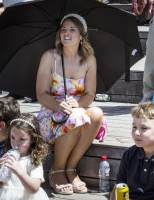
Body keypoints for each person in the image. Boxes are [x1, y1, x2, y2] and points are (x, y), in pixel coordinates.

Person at [36, 13, 106, 195]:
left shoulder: (89, 59)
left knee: (96, 113)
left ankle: (70, 168)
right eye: (63, 30)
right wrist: (59, 106)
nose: (66, 33)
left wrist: (77, 104)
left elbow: (90, 94)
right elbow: (41, 94)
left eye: (72, 30)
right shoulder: (49, 57)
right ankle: (57, 170)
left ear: (81, 36)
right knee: (75, 117)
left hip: (76, 110)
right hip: (51, 113)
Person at [0, 114, 49, 200]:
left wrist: (20, 172)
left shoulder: (33, 160)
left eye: (22, 139)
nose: (16, 143)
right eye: (13, 138)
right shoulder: (6, 157)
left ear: (33, 139)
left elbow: (34, 189)